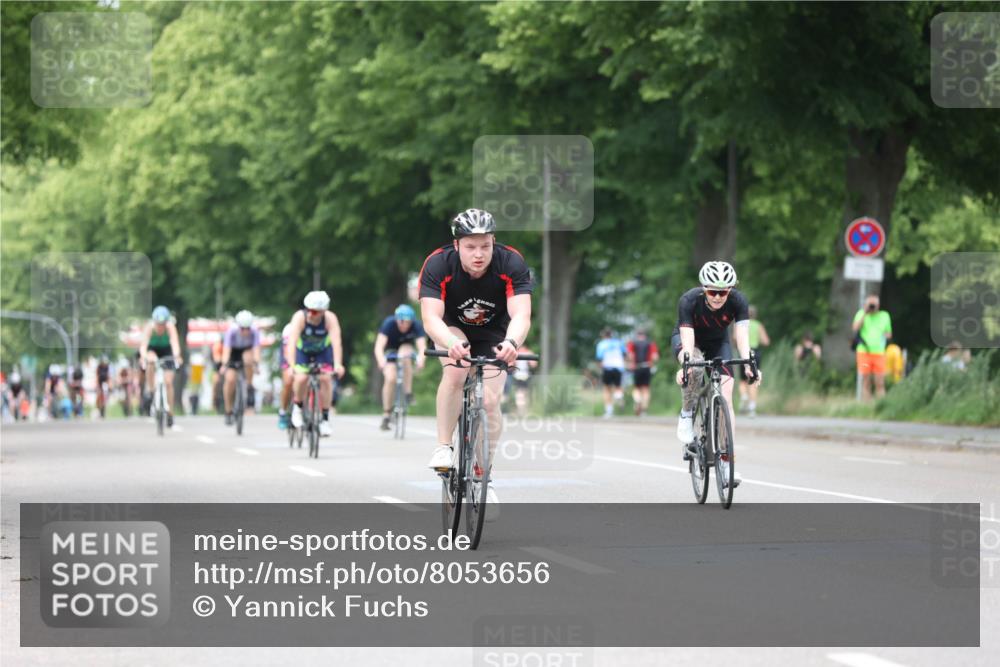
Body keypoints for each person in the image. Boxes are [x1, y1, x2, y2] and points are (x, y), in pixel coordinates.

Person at [419, 208, 533, 518]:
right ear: (456, 246)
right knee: (456, 376)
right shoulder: (438, 264)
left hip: (494, 332)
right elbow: (430, 317)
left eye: (485, 245)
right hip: (451, 328)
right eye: (471, 247)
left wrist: (512, 343)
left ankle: (484, 474)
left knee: (492, 400)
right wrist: (450, 342)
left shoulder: (511, 262)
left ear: (494, 241)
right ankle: (444, 446)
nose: (479, 254)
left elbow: (521, 314)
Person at [673, 261, 762, 488]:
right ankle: (686, 412)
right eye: (712, 291)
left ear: (730, 290)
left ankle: (725, 461)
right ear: (704, 288)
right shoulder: (689, 300)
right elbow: (687, 337)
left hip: (718, 343)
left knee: (727, 393)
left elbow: (741, 336)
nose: (718, 297)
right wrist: (686, 363)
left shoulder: (738, 301)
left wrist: (748, 364)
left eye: (723, 292)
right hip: (689, 339)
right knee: (694, 364)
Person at [286, 291, 345, 437]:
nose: (311, 314)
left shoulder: (330, 319)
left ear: (323, 311)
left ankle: (325, 419)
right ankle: (298, 408)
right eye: (309, 310)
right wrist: (291, 365)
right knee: (301, 378)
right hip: (302, 352)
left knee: (325, 379)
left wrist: (338, 364)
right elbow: (291, 343)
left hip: (322, 352)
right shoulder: (300, 317)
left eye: (315, 311)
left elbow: (336, 342)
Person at [374, 304, 427, 431]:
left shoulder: (416, 325)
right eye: (402, 322)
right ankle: (387, 413)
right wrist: (381, 360)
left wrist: (421, 359)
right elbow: (379, 346)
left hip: (406, 348)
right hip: (391, 351)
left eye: (408, 323)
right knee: (390, 379)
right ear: (397, 319)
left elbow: (421, 347)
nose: (405, 325)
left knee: (406, 353)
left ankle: (408, 392)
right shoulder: (389, 323)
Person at [139, 305, 184, 427]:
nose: (160, 327)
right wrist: (143, 356)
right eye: (158, 324)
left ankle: (170, 413)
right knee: (150, 361)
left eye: (163, 324)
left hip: (166, 351)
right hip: (152, 350)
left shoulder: (170, 328)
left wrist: (177, 356)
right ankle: (152, 390)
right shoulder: (149, 328)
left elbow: (174, 343)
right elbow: (143, 345)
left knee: (168, 382)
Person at [222, 310, 261, 426]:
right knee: (230, 380)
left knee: (249, 359)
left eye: (247, 328)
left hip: (247, 351)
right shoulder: (232, 331)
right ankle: (228, 410)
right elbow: (226, 350)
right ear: (238, 326)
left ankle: (249, 385)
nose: (245, 331)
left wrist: (256, 364)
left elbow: (257, 350)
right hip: (233, 352)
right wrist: (224, 365)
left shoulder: (254, 331)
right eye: (242, 328)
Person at [852, 294, 892, 400]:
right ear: (865, 304)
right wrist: (865, 313)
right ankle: (866, 406)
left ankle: (881, 406)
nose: (872, 307)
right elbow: (855, 328)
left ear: (879, 305)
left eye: (874, 304)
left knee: (880, 381)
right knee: (866, 380)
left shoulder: (884, 315)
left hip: (879, 353)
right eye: (870, 304)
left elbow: (889, 333)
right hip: (864, 353)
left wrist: (884, 336)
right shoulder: (861, 314)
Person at [737, 305, 770, 417]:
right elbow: (766, 341)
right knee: (754, 379)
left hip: (743, 352)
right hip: (755, 353)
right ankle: (752, 407)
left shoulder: (741, 324)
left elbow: (735, 338)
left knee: (742, 380)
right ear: (755, 314)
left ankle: (743, 396)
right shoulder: (758, 325)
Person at [626, 328, 659, 416]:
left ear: (637, 335)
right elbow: (655, 357)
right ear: (645, 335)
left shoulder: (632, 343)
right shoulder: (650, 343)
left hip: (636, 367)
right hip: (647, 367)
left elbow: (630, 355)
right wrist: (652, 363)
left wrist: (631, 363)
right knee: (646, 389)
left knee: (637, 388)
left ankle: (638, 400)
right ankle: (644, 410)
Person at [596, 328, 627, 419]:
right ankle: (619, 396)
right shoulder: (619, 343)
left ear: (603, 335)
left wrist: (600, 368)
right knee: (618, 387)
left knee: (607, 389)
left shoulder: (601, 344)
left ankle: (609, 410)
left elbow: (599, 358)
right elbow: (625, 355)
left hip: (607, 367)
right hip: (618, 367)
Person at [277, 321, 295, 430]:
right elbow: (287, 351)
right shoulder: (289, 329)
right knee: (288, 382)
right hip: (288, 354)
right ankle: (283, 412)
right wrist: (291, 366)